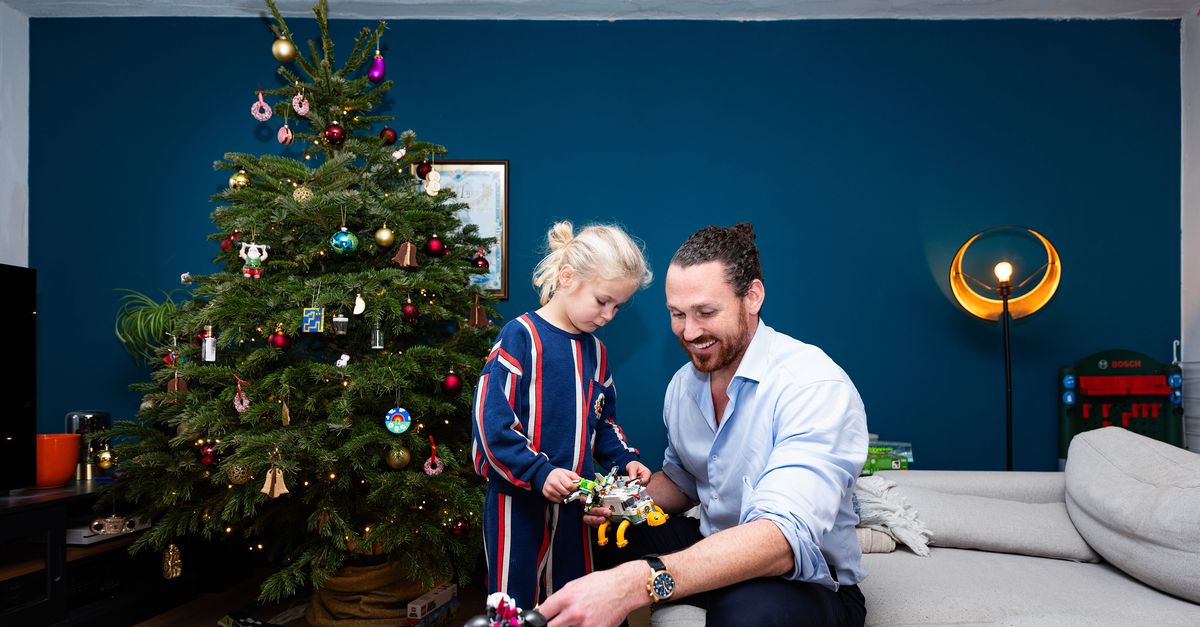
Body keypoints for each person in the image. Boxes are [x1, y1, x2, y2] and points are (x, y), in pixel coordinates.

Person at [538, 223, 869, 627]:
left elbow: (783, 541)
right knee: (582, 530)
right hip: (713, 544)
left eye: (706, 312)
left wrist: (634, 583)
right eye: (677, 314)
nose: (689, 332)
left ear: (753, 297)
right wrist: (613, 502)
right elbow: (684, 482)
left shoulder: (813, 385)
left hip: (804, 577)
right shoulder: (683, 386)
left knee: (749, 613)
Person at [471, 221, 655, 610]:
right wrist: (539, 472)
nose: (608, 315)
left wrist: (626, 460)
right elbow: (491, 429)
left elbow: (604, 424)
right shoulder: (519, 337)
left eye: (618, 306)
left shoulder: (598, 354)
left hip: (574, 506)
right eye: (602, 300)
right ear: (568, 277)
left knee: (574, 600)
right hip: (516, 505)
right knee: (513, 603)